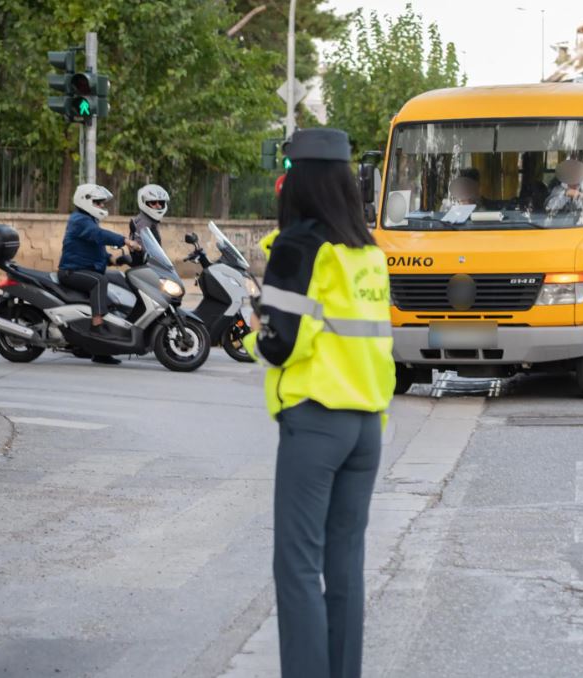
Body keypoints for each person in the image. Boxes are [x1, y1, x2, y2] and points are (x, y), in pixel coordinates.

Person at [242, 128, 395, 678]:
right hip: (366, 427)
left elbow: (281, 342)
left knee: (298, 567)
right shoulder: (367, 253)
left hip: (316, 422)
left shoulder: (299, 246)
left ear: (296, 184)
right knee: (345, 564)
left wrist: (249, 331)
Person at [58, 184, 142, 363]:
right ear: (86, 201)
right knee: (99, 281)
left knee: (119, 279)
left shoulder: (89, 220)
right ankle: (97, 326)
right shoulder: (80, 220)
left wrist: (117, 260)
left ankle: (102, 350)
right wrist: (126, 241)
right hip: (71, 271)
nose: (102, 207)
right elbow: (98, 235)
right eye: (98, 203)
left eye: (103, 203)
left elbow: (97, 251)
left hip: (85, 269)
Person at [129, 184, 169, 265]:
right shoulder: (142, 222)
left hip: (153, 267)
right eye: (153, 202)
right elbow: (140, 249)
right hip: (145, 268)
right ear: (145, 203)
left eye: (161, 202)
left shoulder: (151, 221)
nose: (158, 206)